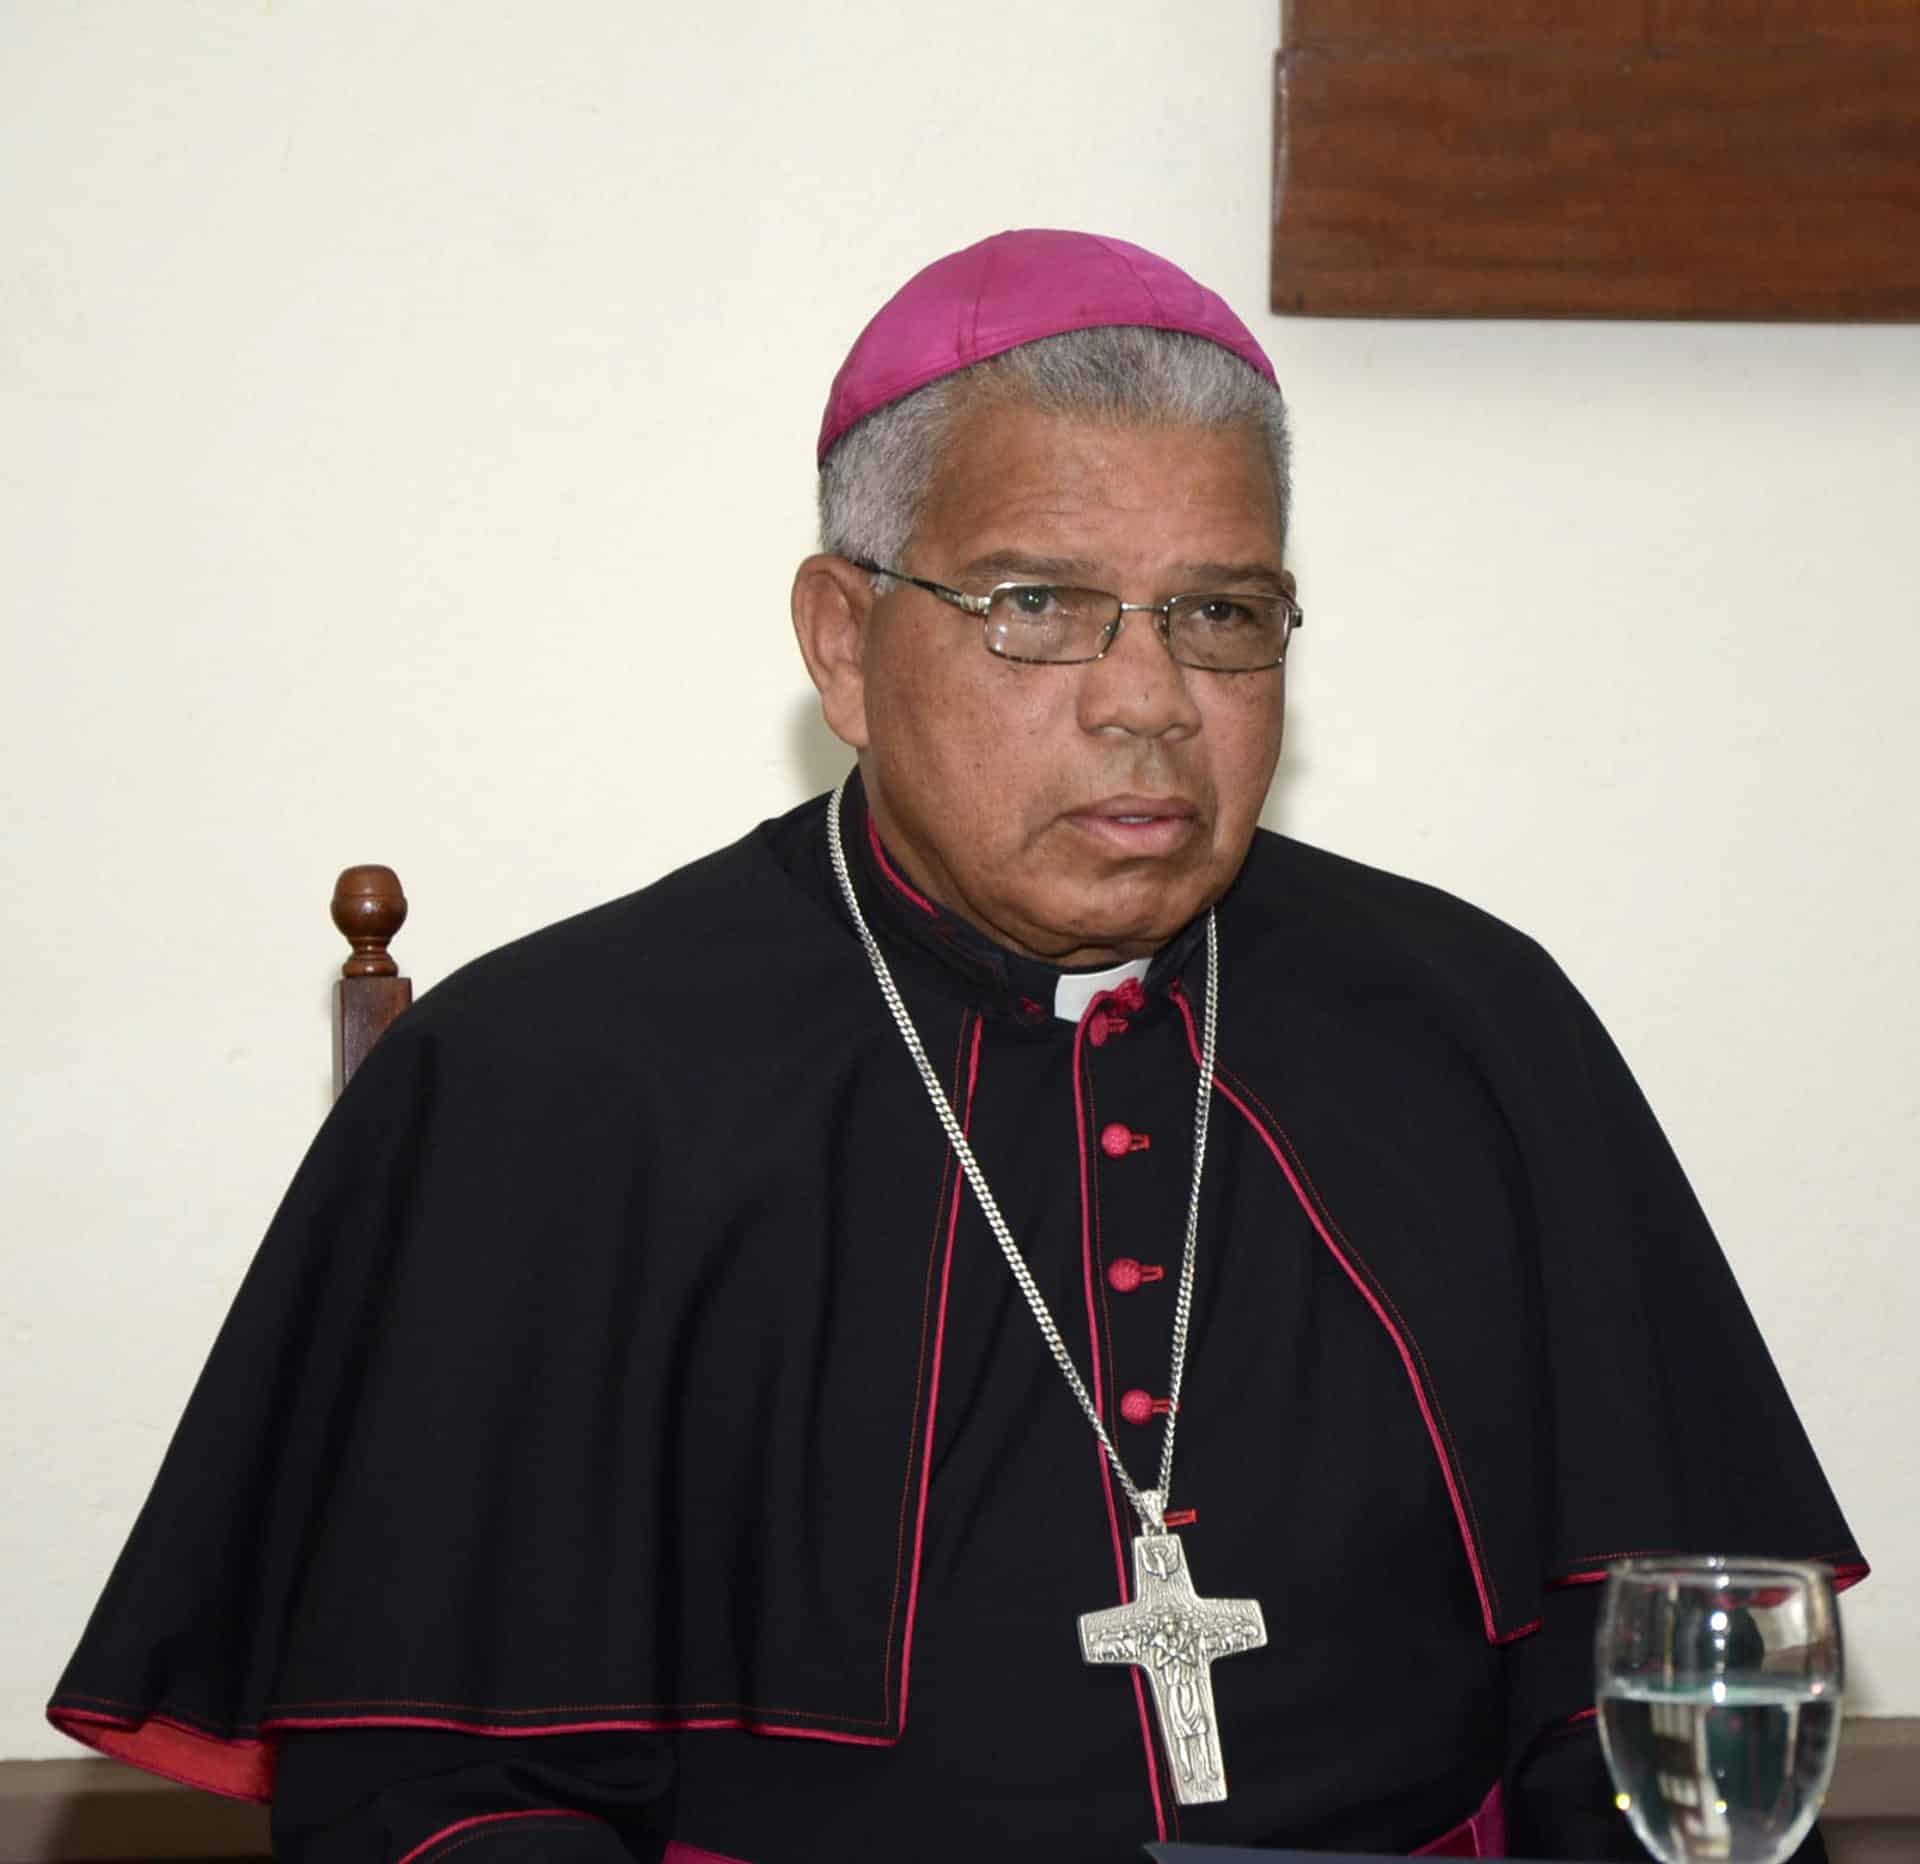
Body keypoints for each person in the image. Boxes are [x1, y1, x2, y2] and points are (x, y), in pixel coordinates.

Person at [49, 229, 1863, 1863]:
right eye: (1039, 606)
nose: (1149, 699)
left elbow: (1648, 1692)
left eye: (1221, 614)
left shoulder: (1474, 1024)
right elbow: (426, 1798)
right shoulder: (550, 1084)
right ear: (845, 643)